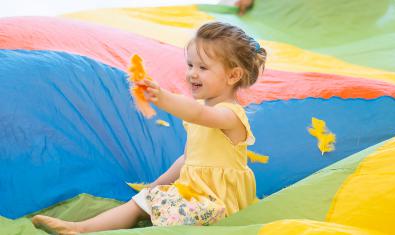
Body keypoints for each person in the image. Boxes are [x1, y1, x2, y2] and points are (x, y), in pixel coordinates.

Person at [31, 21, 267, 234]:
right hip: (197, 199)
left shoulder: (229, 115)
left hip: (217, 206)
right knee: (144, 200)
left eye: (203, 68)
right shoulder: (205, 116)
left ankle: (86, 228)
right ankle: (79, 229)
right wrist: (154, 186)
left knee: (155, 205)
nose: (192, 74)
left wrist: (162, 98)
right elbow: (187, 159)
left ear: (233, 75)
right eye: (190, 65)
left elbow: (199, 112)